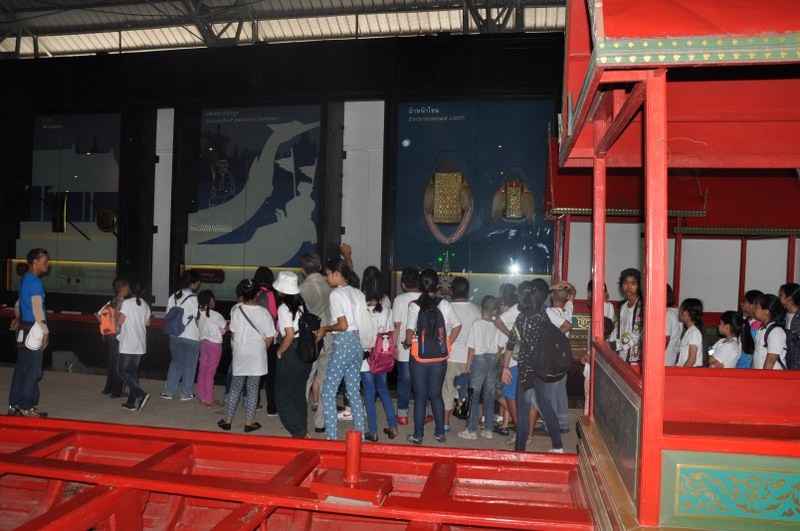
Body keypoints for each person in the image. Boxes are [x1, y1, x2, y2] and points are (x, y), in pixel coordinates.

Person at [501, 279, 563, 453]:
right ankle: (558, 446)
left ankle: (520, 450)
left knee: (522, 411)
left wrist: (505, 367)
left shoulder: (522, 318)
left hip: (526, 371)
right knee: (546, 406)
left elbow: (510, 345)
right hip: (542, 369)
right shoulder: (544, 315)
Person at [403, 269, 462, 445]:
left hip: (419, 359)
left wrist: (407, 343)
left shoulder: (414, 305)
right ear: (438, 285)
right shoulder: (444, 304)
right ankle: (440, 433)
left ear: (420, 285)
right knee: (436, 395)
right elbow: (458, 325)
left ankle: (418, 435)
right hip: (439, 358)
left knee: (420, 397)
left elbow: (409, 332)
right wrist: (447, 344)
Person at [315, 257, 367, 440]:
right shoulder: (357, 293)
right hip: (357, 343)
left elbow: (343, 325)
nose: (326, 277)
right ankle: (359, 436)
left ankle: (331, 437)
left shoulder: (336, 295)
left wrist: (325, 328)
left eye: (328, 274)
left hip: (343, 343)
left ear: (337, 274)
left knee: (328, 392)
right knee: (353, 392)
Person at [219, 279, 276, 432]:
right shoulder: (264, 313)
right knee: (253, 388)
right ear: (258, 294)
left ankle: (227, 420)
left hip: (241, 353)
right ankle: (249, 423)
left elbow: (233, 333)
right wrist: (260, 349)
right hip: (257, 354)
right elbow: (270, 337)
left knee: (235, 387)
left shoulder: (237, 311)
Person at [8, 248, 50, 418]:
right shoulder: (35, 282)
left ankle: (14, 404)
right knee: (33, 370)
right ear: (35, 261)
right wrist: (45, 331)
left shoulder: (25, 278)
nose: (47, 264)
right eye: (45, 261)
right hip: (34, 330)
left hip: (24, 328)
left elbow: (22, 303)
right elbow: (38, 309)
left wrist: (19, 318)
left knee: (22, 368)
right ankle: (26, 405)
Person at [359, 268, 399, 442]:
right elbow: (389, 332)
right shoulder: (387, 308)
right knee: (383, 389)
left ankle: (373, 431)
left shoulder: (361, 307)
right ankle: (393, 426)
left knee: (369, 392)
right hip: (381, 354)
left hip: (365, 355)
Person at [273, 271, 313, 439]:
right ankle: (302, 427)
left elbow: (289, 335)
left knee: (283, 396)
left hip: (291, 352)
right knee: (298, 393)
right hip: (305, 351)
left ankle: (299, 433)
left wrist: (279, 351)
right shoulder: (303, 306)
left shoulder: (284, 308)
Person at [458, 295, 503, 441]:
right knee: (489, 395)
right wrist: (495, 359)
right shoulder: (496, 324)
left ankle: (472, 430)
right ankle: (488, 429)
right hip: (492, 358)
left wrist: (468, 364)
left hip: (479, 359)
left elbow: (472, 346)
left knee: (474, 394)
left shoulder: (477, 324)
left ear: (481, 308)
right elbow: (500, 346)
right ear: (495, 310)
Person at [298, 251, 333, 434]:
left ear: (302, 270)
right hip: (329, 335)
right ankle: (321, 422)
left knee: (306, 379)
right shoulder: (329, 283)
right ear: (319, 266)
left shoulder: (302, 289)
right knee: (325, 379)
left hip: (310, 339)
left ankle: (301, 420)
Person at [443, 276, 480, 432]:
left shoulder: (445, 308)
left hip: (449, 356)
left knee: (447, 390)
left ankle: (445, 423)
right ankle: (468, 424)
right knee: (468, 392)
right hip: (469, 358)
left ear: (451, 291)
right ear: (468, 292)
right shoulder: (476, 310)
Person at [161, 270, 201, 401]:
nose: (198, 284)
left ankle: (169, 392)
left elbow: (168, 315)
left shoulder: (172, 297)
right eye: (198, 282)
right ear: (193, 283)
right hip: (191, 336)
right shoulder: (193, 298)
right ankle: (185, 393)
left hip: (174, 335)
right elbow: (196, 318)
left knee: (175, 363)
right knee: (189, 365)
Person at [543, 281, 575, 434]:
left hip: (553, 355)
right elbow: (573, 293)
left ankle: (551, 425)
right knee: (561, 390)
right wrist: (567, 286)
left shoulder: (549, 312)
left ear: (551, 295)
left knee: (551, 391)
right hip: (565, 354)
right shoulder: (567, 310)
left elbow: (537, 297)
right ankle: (563, 423)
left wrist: (553, 337)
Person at [391, 267, 421, 426]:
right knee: (423, 382)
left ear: (403, 284)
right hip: (423, 348)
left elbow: (397, 326)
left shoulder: (399, 300)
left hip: (404, 347)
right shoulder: (427, 298)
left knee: (404, 382)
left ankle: (402, 415)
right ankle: (424, 413)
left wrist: (394, 346)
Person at [116, 279, 152, 412]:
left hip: (128, 342)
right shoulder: (145, 305)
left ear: (129, 289)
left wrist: (118, 310)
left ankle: (140, 393)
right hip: (140, 343)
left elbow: (120, 322)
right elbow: (148, 323)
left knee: (121, 371)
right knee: (132, 372)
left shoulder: (126, 303)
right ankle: (131, 402)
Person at [493, 285, 520, 437]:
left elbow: (500, 346)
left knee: (499, 393)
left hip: (505, 357)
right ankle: (505, 424)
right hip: (512, 356)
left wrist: (511, 336)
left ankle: (518, 419)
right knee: (508, 392)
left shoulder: (508, 315)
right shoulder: (518, 312)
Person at [254, 266, 279, 416]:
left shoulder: (253, 292)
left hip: (254, 338)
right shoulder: (272, 294)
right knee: (271, 375)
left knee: (256, 372)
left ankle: (254, 402)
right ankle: (272, 407)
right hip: (270, 338)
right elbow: (274, 316)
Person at [98, 278, 129, 398]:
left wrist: (108, 325)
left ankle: (108, 388)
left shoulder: (111, 301)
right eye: (127, 287)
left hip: (110, 335)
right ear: (123, 288)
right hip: (120, 336)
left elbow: (98, 315)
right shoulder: (125, 303)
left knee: (112, 362)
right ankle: (117, 391)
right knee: (119, 364)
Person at [197, 289, 227, 408]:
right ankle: (209, 401)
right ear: (210, 300)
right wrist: (222, 330)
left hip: (203, 344)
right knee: (210, 373)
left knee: (202, 370)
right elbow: (225, 328)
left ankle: (202, 397)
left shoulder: (199, 314)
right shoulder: (216, 315)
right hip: (214, 345)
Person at [614, 268, 643, 364]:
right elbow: (616, 329)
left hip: (635, 358)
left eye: (633, 283)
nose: (629, 287)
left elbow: (638, 334)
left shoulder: (642, 306)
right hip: (621, 354)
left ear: (639, 285)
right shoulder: (622, 306)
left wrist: (615, 345)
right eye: (625, 283)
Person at [753, 294, 787, 370]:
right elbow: (756, 355)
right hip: (759, 375)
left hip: (772, 376)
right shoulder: (761, 329)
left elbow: (771, 360)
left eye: (757, 307)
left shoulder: (776, 332)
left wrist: (764, 377)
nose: (754, 309)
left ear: (766, 312)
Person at [738, 289, 764, 369]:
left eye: (745, 301)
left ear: (752, 305)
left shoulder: (759, 326)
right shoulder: (748, 321)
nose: (741, 303)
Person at [677, 298, 704, 367]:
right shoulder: (690, 331)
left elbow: (691, 359)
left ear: (686, 312)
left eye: (680, 309)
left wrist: (682, 372)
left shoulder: (694, 333)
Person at [664, 284, 683, 367]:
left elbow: (665, 341)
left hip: (665, 356)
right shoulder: (676, 311)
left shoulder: (668, 314)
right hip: (671, 355)